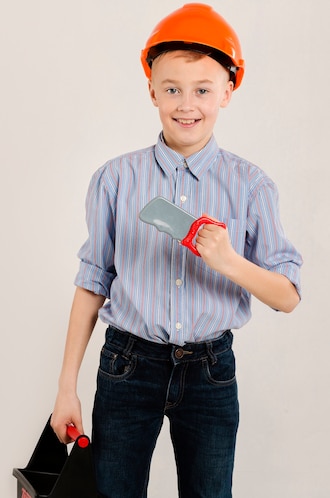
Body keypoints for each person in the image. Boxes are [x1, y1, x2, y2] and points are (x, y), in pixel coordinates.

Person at [50, 3, 303, 498]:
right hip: (127, 365)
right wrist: (65, 388)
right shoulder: (116, 179)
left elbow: (288, 296)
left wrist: (229, 262)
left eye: (203, 90)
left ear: (228, 91)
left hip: (210, 371)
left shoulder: (251, 186)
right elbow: (92, 281)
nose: (187, 104)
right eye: (172, 89)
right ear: (152, 91)